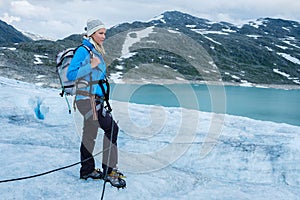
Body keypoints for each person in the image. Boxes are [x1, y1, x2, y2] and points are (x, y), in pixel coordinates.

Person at [67, 18, 125, 188]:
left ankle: (87, 170)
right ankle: (109, 171)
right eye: (101, 33)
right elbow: (71, 75)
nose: (104, 36)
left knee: (90, 134)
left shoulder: (95, 50)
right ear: (91, 33)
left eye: (105, 33)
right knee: (112, 128)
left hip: (93, 99)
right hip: (88, 100)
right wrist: (91, 66)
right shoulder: (84, 50)